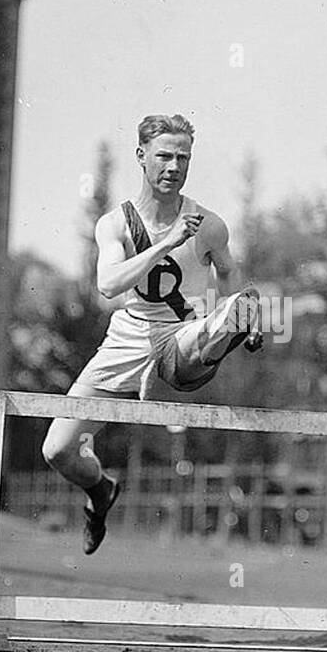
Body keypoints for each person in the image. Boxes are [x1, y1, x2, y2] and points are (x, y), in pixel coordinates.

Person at [42, 113, 263, 554]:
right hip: (126, 339)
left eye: (183, 158)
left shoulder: (209, 224)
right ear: (141, 157)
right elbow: (108, 286)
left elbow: (231, 271)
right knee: (59, 450)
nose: (174, 167)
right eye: (164, 156)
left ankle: (230, 327)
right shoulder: (116, 224)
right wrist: (167, 242)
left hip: (180, 335)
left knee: (221, 319)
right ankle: (101, 491)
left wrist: (241, 309)